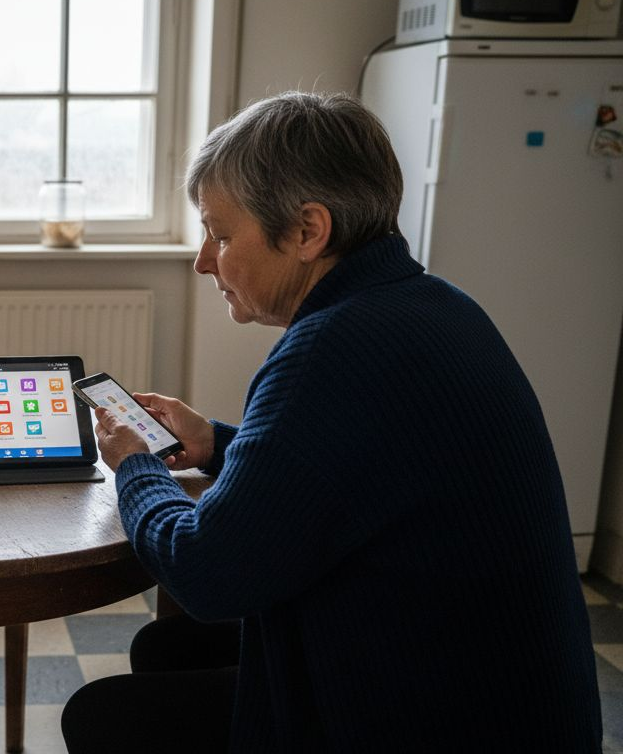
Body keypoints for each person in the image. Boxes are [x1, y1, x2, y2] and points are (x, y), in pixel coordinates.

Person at [60, 91, 601, 752]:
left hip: (445, 722)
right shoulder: (431, 306)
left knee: (102, 714)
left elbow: (209, 575)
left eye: (222, 234)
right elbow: (344, 477)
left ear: (308, 231)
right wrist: (213, 444)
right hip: (514, 700)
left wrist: (134, 466)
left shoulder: (330, 350)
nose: (205, 261)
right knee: (170, 645)